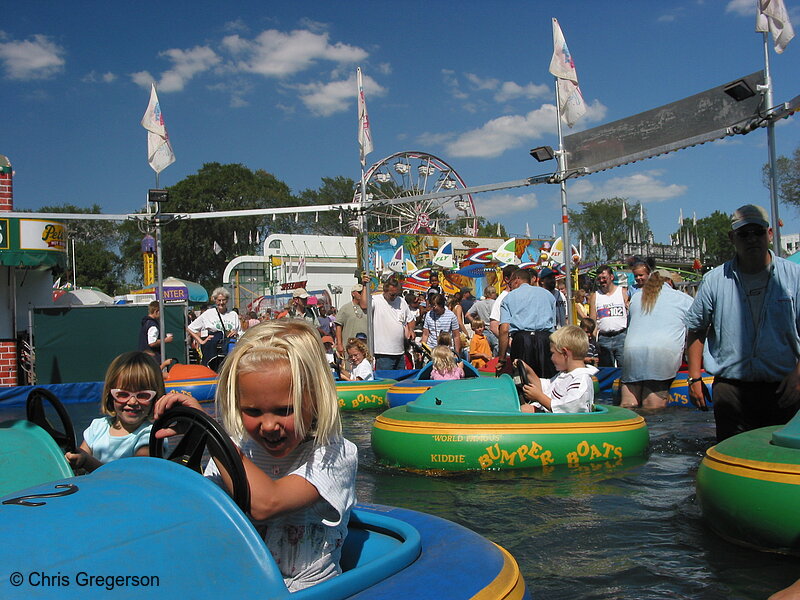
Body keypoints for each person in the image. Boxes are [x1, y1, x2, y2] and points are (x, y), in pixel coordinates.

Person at [154, 320, 358, 591]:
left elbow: (266, 504)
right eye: (252, 412)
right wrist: (192, 438)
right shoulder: (241, 447)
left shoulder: (335, 454)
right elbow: (202, 508)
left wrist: (211, 435)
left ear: (316, 399)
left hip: (308, 592)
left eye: (285, 410)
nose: (269, 425)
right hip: (243, 583)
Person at [685, 204, 800, 441]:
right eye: (743, 234)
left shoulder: (794, 277)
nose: (751, 239)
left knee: (782, 460)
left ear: (769, 234)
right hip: (730, 389)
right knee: (731, 460)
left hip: (785, 386)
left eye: (757, 232)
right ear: (732, 238)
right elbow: (696, 329)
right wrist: (694, 378)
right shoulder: (714, 280)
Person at [65, 351, 165, 472]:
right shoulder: (98, 427)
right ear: (110, 395)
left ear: (155, 397)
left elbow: (134, 477)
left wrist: (86, 462)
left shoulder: (151, 436)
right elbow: (79, 459)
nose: (132, 402)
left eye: (143, 395)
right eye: (123, 394)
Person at [621, 271, 693, 409]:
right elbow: (694, 331)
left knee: (628, 404)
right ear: (670, 283)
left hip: (632, 351)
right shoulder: (684, 299)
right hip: (661, 353)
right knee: (653, 407)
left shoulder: (636, 297)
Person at [517, 325, 595, 413]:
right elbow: (543, 386)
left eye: (552, 353)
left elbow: (568, 408)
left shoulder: (581, 381)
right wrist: (527, 370)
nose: (551, 358)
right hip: (553, 419)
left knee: (524, 410)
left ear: (565, 353)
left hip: (566, 423)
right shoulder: (564, 375)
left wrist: (539, 397)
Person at [496, 268, 557, 379]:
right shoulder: (548, 295)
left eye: (511, 284)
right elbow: (553, 324)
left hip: (522, 342)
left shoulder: (508, 298)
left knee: (523, 380)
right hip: (545, 340)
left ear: (517, 280)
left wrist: (502, 358)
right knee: (547, 381)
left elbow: (504, 329)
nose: (510, 287)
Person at [187, 287, 242, 369]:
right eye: (219, 300)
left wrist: (236, 333)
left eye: (223, 300)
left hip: (228, 349)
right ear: (215, 300)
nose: (221, 302)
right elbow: (190, 329)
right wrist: (201, 341)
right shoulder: (208, 313)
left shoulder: (233, 314)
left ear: (227, 300)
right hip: (212, 348)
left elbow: (241, 333)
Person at [371, 276, 415, 370]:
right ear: (385, 291)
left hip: (400, 351)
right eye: (392, 294)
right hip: (384, 353)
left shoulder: (401, 301)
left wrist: (411, 330)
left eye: (396, 294)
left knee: (400, 382)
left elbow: (410, 319)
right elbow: (363, 304)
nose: (394, 297)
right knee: (385, 381)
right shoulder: (376, 300)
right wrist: (364, 286)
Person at [589, 265, 629, 367]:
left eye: (604, 278)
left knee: (625, 369)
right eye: (599, 279)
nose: (602, 281)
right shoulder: (595, 296)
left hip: (621, 336)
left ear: (611, 277)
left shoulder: (622, 292)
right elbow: (592, 321)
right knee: (607, 371)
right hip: (604, 339)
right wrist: (594, 341)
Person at [334, 284, 368, 357]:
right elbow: (338, 326)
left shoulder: (369, 307)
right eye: (359, 292)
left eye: (363, 292)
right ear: (353, 294)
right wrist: (339, 344)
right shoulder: (345, 308)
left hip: (366, 346)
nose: (362, 294)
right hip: (350, 347)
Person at [138, 300, 173, 366]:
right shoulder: (152, 325)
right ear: (156, 311)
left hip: (145, 358)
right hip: (152, 360)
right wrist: (165, 340)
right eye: (161, 312)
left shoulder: (146, 323)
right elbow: (152, 343)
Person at [467, 286, 498, 355]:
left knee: (484, 351)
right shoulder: (496, 303)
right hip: (495, 330)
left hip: (483, 330)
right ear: (492, 293)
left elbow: (467, 315)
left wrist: (476, 323)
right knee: (497, 350)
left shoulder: (478, 304)